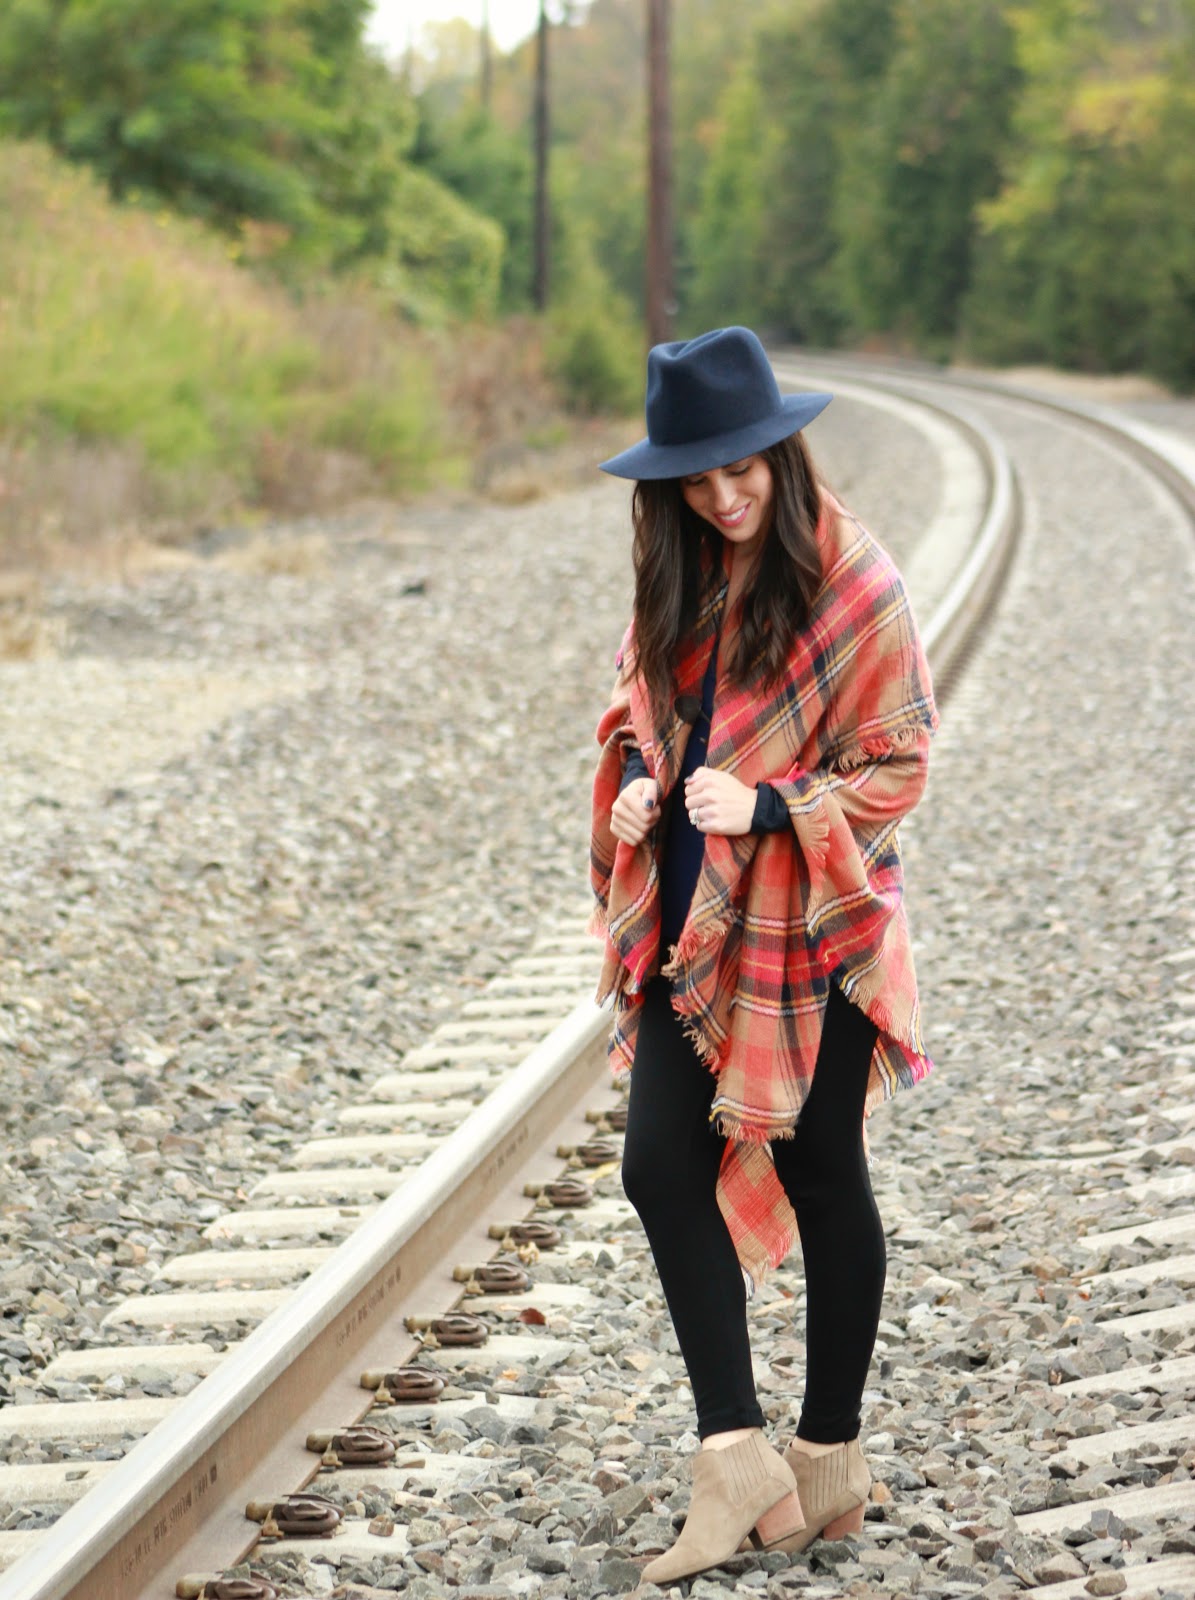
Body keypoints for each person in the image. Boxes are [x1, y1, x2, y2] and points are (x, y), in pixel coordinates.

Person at [588, 327, 938, 1584]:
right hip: (692, 926)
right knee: (654, 1166)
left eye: (739, 468)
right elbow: (640, 715)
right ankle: (735, 1456)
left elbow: (898, 765)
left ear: (781, 455)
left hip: (808, 926)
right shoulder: (677, 572)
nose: (722, 495)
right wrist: (639, 781)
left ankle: (828, 1452)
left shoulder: (855, 582)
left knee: (821, 1170)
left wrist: (775, 805)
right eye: (695, 478)